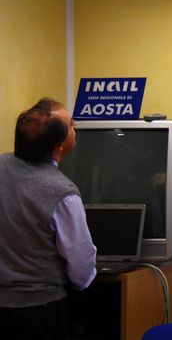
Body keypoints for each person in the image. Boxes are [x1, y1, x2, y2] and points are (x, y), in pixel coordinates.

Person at [0, 98, 97, 340]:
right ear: (59, 146)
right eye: (71, 125)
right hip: (40, 313)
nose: (76, 125)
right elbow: (81, 267)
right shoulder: (63, 193)